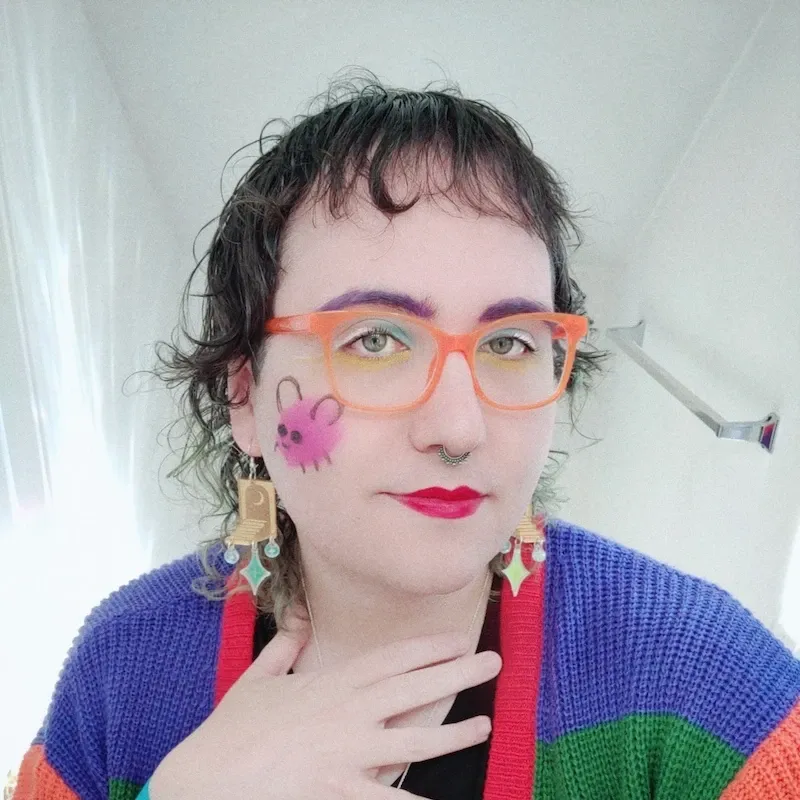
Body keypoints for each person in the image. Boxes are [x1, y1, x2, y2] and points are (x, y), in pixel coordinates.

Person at [12, 74, 800, 800]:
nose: (459, 428)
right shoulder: (123, 672)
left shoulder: (694, 677)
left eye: (509, 343)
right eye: (375, 340)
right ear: (245, 395)